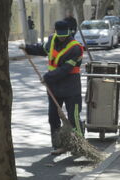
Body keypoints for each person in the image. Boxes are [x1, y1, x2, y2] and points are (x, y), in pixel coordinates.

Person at [19, 21, 84, 155]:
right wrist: (27, 47)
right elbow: (42, 49)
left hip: (71, 87)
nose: (61, 37)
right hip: (54, 87)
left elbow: (66, 69)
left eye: (64, 35)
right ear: (55, 32)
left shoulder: (76, 48)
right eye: (59, 35)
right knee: (53, 116)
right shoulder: (52, 40)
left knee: (73, 117)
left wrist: (47, 77)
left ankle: (80, 146)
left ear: (69, 33)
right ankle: (58, 145)